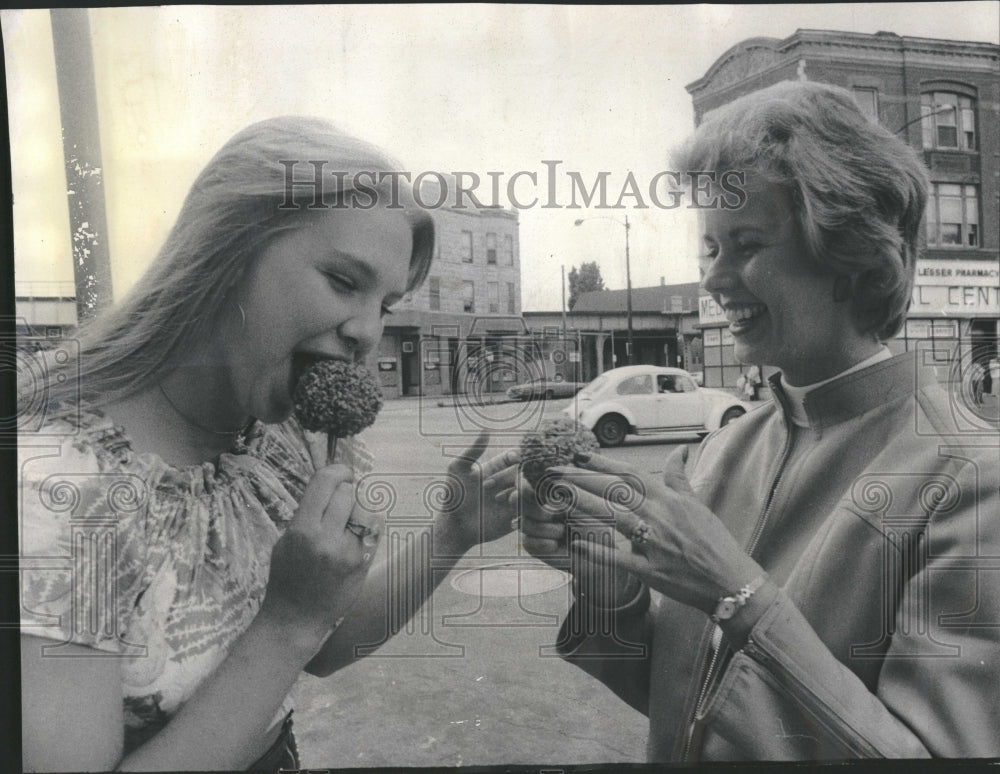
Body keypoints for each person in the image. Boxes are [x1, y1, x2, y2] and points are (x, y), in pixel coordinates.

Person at [512, 82, 1000, 760]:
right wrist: (606, 582)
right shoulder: (712, 456)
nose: (714, 278)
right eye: (710, 248)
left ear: (851, 259)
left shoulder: (974, 483)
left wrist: (735, 593)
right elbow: (680, 705)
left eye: (745, 243)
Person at [18, 117, 517, 772]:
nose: (368, 332)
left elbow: (324, 642)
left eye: (386, 305)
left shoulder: (280, 442)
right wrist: (286, 623)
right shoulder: (55, 487)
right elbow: (293, 633)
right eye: (343, 281)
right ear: (228, 253)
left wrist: (451, 534)